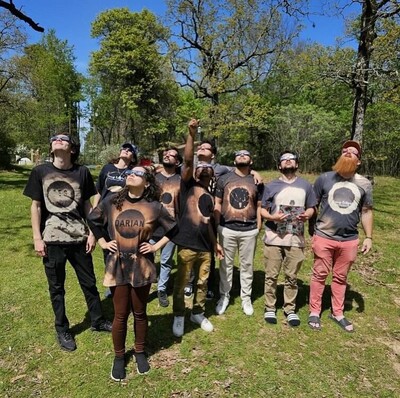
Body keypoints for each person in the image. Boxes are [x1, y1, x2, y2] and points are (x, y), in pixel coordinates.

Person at [23, 133, 112, 352]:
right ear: (51, 147)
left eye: (64, 138)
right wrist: (37, 238)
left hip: (79, 238)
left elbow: (87, 207)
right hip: (52, 240)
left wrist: (92, 233)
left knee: (89, 283)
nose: (58, 139)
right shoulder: (40, 171)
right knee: (57, 288)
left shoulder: (81, 172)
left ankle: (97, 320)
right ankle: (62, 328)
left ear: (72, 148)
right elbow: (35, 206)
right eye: (54, 138)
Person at [87, 166, 177, 379]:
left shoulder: (154, 207)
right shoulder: (112, 201)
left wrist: (155, 246)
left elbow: (174, 228)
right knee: (120, 314)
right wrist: (102, 240)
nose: (131, 175)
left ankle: (139, 351)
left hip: (142, 265)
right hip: (117, 264)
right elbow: (93, 218)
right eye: (130, 173)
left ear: (146, 183)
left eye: (137, 174)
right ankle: (119, 357)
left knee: (139, 312)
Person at [308, 140, 373, 332]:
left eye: (352, 152)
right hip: (324, 236)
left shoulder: (364, 184)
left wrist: (369, 237)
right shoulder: (324, 178)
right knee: (319, 275)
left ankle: (338, 312)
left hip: (349, 240)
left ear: (358, 161)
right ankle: (314, 311)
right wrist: (312, 230)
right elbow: (313, 205)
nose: (347, 152)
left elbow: (367, 211)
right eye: (345, 150)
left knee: (340, 277)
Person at [172, 119, 223, 338]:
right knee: (183, 282)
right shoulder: (187, 185)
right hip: (186, 244)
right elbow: (188, 160)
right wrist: (191, 135)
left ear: (212, 174)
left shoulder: (210, 197)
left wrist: (215, 244)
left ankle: (198, 312)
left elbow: (208, 222)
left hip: (205, 247)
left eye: (207, 169)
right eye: (199, 168)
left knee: (203, 282)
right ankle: (179, 315)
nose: (203, 170)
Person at [261, 150, 316, 326]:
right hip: (273, 236)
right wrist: (272, 217)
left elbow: (312, 207)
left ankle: (289, 308)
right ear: (279, 165)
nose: (288, 162)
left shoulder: (306, 186)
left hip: (296, 238)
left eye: (291, 159)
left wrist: (307, 214)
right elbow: (262, 210)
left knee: (292, 276)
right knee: (271, 275)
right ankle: (270, 307)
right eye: (284, 160)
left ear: (297, 164)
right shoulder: (271, 186)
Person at [214, 150, 263, 316]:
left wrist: (258, 226)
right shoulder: (224, 178)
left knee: (247, 265)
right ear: (234, 160)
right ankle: (224, 296)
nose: (242, 156)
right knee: (225, 265)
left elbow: (260, 204)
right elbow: (218, 203)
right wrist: (216, 225)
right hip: (226, 228)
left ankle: (246, 297)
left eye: (246, 154)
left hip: (249, 230)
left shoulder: (256, 180)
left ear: (251, 160)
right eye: (238, 154)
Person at [93, 142, 138, 298]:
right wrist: (95, 209)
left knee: (124, 249)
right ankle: (111, 280)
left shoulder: (132, 173)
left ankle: (126, 280)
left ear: (133, 156)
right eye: (124, 149)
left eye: (130, 150)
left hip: (122, 215)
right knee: (108, 249)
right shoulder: (107, 169)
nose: (126, 151)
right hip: (105, 213)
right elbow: (99, 190)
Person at [153, 147, 182, 307]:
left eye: (171, 155)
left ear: (177, 161)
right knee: (146, 258)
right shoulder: (153, 178)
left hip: (171, 228)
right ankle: (142, 286)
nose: (167, 155)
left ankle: (161, 289)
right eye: (165, 153)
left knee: (166, 260)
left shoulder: (181, 179)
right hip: (151, 227)